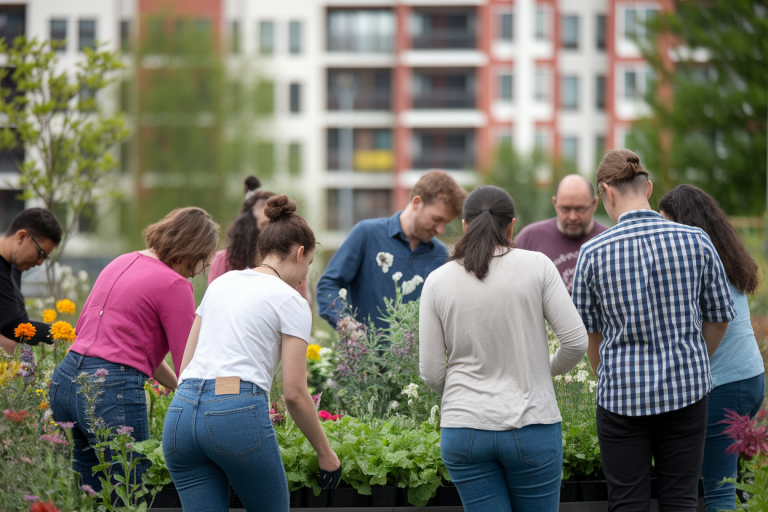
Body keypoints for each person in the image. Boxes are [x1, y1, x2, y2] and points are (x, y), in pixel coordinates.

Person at [572, 150, 735, 511]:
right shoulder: (697, 241)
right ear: (647, 188)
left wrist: (606, 373)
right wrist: (693, 360)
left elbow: (589, 331)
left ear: (606, 192)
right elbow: (721, 316)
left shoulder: (593, 253)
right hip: (687, 393)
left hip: (621, 399)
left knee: (627, 501)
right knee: (681, 499)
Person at [164, 195, 341, 512]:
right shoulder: (291, 301)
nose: (304, 277)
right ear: (300, 253)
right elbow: (295, 394)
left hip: (181, 415)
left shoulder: (223, 283)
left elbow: (186, 365)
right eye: (309, 265)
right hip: (235, 413)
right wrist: (325, 453)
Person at [419, 185, 588, 511]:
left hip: (464, 429)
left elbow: (430, 371)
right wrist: (543, 370)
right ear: (512, 225)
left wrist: (460, 391)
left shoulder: (438, 280)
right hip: (532, 426)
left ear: (465, 225)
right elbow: (576, 341)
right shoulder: (537, 266)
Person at [49, 207, 219, 492]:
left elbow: (121, 347)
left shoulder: (122, 261)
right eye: (204, 261)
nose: (201, 271)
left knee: (88, 493)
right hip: (110, 390)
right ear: (192, 250)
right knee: (128, 490)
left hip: (65, 380)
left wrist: (176, 386)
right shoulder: (175, 284)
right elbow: (189, 365)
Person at [658, 185, 765, 512]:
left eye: (668, 224)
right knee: (735, 485)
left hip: (725, 385)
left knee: (718, 491)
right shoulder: (724, 252)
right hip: (748, 377)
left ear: (686, 222)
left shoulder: (701, 263)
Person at [317, 170, 467, 330]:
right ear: (417, 203)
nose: (441, 230)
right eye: (437, 219)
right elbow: (328, 284)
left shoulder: (441, 255)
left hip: (416, 355)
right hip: (366, 354)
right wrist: (346, 324)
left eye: (446, 223)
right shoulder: (367, 234)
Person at [208, 177, 310, 303]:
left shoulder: (295, 263)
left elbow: (302, 306)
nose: (271, 231)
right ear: (247, 228)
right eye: (264, 225)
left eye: (275, 225)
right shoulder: (223, 260)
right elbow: (212, 305)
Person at [515, 174, 608, 293]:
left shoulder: (609, 241)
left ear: (594, 204)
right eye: (565, 209)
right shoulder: (529, 239)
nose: (572, 217)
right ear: (555, 204)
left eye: (580, 209)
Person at [0, 208, 62, 354]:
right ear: (21, 237)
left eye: (45, 258)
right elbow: (15, 327)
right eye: (41, 253)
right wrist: (64, 334)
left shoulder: (12, 269)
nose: (40, 262)